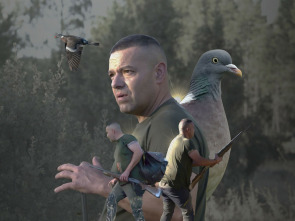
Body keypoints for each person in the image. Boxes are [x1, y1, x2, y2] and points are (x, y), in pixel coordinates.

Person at [54, 34, 210, 221]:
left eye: (128, 72)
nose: (115, 83)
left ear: (159, 73)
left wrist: (101, 184)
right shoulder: (153, 122)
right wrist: (113, 177)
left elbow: (177, 210)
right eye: (112, 75)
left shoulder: (167, 124)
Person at [160, 119, 222, 221]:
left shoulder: (175, 140)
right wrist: (215, 160)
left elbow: (189, 163)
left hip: (165, 185)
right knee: (188, 213)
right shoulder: (187, 142)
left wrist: (211, 162)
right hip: (177, 186)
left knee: (167, 212)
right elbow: (199, 160)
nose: (194, 131)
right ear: (188, 129)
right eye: (193, 128)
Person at [105, 122, 145, 221]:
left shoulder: (127, 138)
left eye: (107, 132)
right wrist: (116, 178)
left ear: (113, 131)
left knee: (136, 210)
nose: (107, 135)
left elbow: (139, 152)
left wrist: (127, 172)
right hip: (122, 182)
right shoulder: (119, 144)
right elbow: (121, 163)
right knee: (111, 200)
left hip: (132, 182)